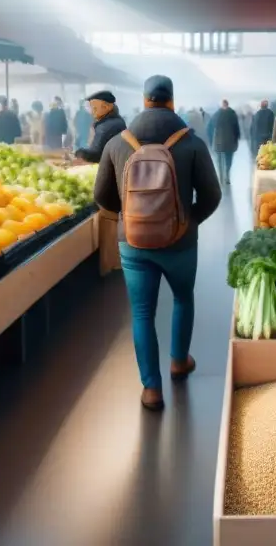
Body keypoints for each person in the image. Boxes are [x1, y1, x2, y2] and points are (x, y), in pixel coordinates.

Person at [93, 75, 221, 411]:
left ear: (145, 100)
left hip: (133, 246)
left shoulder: (118, 144)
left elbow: (101, 197)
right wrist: (188, 221)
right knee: (182, 298)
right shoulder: (191, 142)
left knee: (142, 314)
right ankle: (179, 361)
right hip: (180, 243)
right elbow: (212, 194)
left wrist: (128, 218)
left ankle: (152, 389)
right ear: (171, 101)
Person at [74, 90, 126, 163]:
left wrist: (79, 153)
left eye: (95, 108)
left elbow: (96, 155)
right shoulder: (118, 121)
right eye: (92, 108)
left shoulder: (105, 127)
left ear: (106, 107)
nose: (92, 112)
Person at [210, 98, 241, 186]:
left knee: (219, 160)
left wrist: (211, 138)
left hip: (218, 141)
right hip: (230, 140)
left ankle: (220, 176)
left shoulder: (217, 114)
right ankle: (227, 175)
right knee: (228, 159)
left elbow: (211, 126)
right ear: (228, 104)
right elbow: (236, 127)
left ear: (222, 105)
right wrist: (237, 138)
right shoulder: (232, 113)